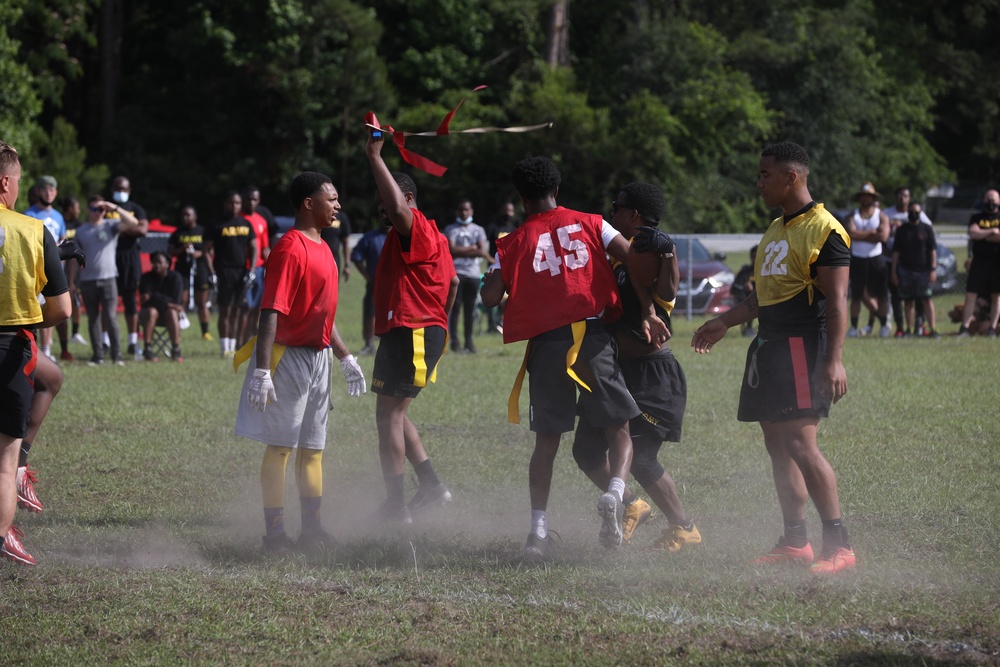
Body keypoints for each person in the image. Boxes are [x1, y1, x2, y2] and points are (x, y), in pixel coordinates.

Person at [481, 156, 665, 562]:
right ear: (557, 191)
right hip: (592, 339)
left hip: (547, 347)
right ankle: (618, 492)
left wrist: (496, 269)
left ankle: (537, 534)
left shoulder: (511, 242)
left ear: (521, 198)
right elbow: (634, 256)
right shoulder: (592, 222)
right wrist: (650, 309)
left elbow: (490, 297)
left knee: (546, 444)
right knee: (618, 429)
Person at [692, 141, 856, 575]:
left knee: (802, 444)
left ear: (791, 178)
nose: (759, 183)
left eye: (766, 175)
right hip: (769, 347)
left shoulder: (825, 230)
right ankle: (795, 540)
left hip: (804, 346)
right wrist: (724, 322)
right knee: (778, 446)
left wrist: (834, 360)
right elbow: (764, 296)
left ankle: (839, 544)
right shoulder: (776, 229)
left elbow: (838, 303)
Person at [235, 171, 366, 554]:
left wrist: (344, 356)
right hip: (287, 358)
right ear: (309, 203)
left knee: (313, 449)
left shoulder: (324, 247)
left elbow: (323, 314)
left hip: (319, 358)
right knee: (280, 447)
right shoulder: (290, 247)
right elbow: (271, 311)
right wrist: (262, 371)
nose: (338, 205)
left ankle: (312, 530)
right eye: (332, 199)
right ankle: (274, 536)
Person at [571, 182, 701, 553]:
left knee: (641, 458)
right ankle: (633, 505)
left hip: (651, 375)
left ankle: (684, 528)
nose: (612, 214)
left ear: (634, 216)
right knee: (586, 453)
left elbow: (670, 289)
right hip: (613, 372)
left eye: (617, 207)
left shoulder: (651, 257)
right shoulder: (618, 257)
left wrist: (669, 250)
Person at [366, 129, 458, 525]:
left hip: (413, 329)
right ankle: (432, 486)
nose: (383, 210)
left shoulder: (416, 225)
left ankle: (395, 506)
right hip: (421, 329)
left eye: (387, 203)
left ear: (405, 199)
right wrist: (441, 321)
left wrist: (374, 155)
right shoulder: (430, 234)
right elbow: (452, 283)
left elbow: (400, 209)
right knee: (395, 413)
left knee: (387, 416)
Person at [0, 139, 72, 565]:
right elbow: (62, 309)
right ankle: (4, 533)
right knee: (5, 463)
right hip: (11, 345)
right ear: (5, 182)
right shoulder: (33, 229)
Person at [74, 194, 141, 365]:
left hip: (109, 279)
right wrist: (72, 281)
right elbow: (74, 259)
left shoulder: (110, 226)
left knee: (111, 317)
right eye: (94, 209)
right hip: (88, 280)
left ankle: (116, 355)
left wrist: (114, 207)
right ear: (88, 209)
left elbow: (133, 222)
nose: (97, 212)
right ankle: (98, 356)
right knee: (93, 319)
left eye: (100, 209)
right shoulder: (81, 231)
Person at [205, 191, 257, 358]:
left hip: (240, 272)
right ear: (225, 204)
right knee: (225, 310)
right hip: (223, 271)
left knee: (236, 310)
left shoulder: (245, 223)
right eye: (231, 203)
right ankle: (224, 347)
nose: (234, 206)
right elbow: (206, 250)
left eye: (237, 203)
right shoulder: (216, 224)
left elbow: (254, 247)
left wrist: (252, 270)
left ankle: (233, 346)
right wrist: (212, 272)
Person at [23, 175, 67, 362]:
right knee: (35, 308)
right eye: (46, 189)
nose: (49, 193)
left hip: (54, 271)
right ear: (39, 191)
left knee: (53, 307)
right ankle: (32, 346)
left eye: (52, 190)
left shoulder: (58, 216)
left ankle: (47, 349)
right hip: (35, 271)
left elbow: (63, 238)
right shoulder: (29, 214)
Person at [105, 175, 149, 357]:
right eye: (118, 188)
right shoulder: (105, 207)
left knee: (131, 300)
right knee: (107, 301)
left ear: (129, 191)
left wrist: (117, 228)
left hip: (130, 259)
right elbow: (98, 226)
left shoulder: (135, 209)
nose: (121, 192)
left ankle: (132, 341)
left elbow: (142, 230)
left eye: (124, 189)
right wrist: (125, 227)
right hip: (109, 256)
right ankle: (105, 341)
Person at [882, 187, 933, 336]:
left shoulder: (918, 214)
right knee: (897, 297)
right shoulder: (887, 213)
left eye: (906, 195)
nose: (902, 198)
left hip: (910, 262)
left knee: (917, 296)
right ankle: (899, 326)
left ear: (909, 198)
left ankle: (919, 324)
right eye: (900, 195)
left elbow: (929, 230)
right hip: (890, 260)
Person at [444, 198, 490, 353]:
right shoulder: (451, 229)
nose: (464, 213)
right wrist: (472, 247)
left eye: (467, 210)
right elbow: (451, 250)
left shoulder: (478, 229)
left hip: (472, 274)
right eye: (461, 210)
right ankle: (454, 341)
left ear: (471, 211)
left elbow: (482, 251)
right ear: (457, 211)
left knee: (470, 309)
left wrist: (461, 250)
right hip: (455, 273)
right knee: (455, 308)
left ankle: (469, 342)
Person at [845, 182, 890, 338]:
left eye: (869, 196)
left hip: (876, 259)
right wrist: (872, 233)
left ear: (873, 198)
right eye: (863, 196)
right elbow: (850, 234)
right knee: (856, 295)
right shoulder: (853, 214)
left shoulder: (881, 215)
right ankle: (854, 327)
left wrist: (860, 234)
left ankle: (884, 325)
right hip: (857, 258)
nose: (866, 199)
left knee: (882, 294)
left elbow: (883, 236)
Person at [891, 201, 940, 338]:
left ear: (921, 213)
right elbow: (896, 253)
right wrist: (894, 271)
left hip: (924, 271)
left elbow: (933, 251)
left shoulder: (927, 229)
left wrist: (933, 269)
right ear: (907, 213)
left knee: (927, 299)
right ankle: (909, 330)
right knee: (908, 300)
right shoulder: (902, 230)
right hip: (905, 271)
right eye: (911, 212)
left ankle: (933, 329)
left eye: (916, 212)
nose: (913, 215)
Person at [957, 189, 1000, 338]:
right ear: (983, 201)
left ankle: (992, 329)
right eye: (988, 199)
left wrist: (982, 235)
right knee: (970, 295)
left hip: (997, 263)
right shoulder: (976, 217)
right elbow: (973, 234)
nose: (991, 202)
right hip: (979, 262)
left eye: (993, 199)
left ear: (999, 202)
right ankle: (965, 328)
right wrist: (992, 232)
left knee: (996, 296)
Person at [168, 205, 214, 340]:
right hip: (182, 270)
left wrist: (199, 253)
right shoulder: (178, 233)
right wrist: (182, 249)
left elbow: (210, 251)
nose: (185, 218)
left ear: (195, 216)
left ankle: (205, 332)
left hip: (200, 270)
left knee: (202, 301)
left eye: (188, 215)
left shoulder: (202, 231)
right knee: (181, 300)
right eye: (183, 215)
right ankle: (177, 330)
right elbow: (170, 252)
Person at [238, 186, 272, 348]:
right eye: (248, 199)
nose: (251, 202)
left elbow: (265, 248)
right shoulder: (237, 220)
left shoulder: (261, 221)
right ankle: (237, 342)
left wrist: (272, 265)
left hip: (258, 269)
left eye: (255, 199)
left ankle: (247, 342)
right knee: (243, 308)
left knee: (255, 308)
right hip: (241, 268)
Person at [350, 219, 389, 355]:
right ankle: (369, 344)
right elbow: (356, 257)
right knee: (370, 312)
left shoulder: (401, 236)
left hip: (396, 285)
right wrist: (367, 277)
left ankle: (391, 346)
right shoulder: (370, 237)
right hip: (375, 283)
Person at [138, 251, 185, 361]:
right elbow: (145, 301)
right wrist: (167, 303)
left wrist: (153, 296)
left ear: (167, 264)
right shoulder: (146, 278)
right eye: (154, 262)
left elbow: (176, 302)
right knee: (151, 311)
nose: (156, 265)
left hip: (169, 316)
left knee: (172, 312)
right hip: (151, 316)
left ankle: (175, 349)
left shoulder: (175, 278)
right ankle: (148, 349)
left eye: (159, 262)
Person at [484, 201, 519, 332]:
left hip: (510, 267)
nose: (508, 214)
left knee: (509, 297)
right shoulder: (493, 227)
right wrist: (489, 258)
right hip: (495, 266)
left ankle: (506, 322)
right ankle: (492, 325)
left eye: (510, 211)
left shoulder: (516, 228)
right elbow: (484, 245)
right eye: (505, 211)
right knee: (494, 294)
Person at [61, 196, 88, 347]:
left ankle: (75, 333)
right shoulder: (60, 221)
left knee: (76, 298)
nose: (79, 210)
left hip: (74, 268)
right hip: (60, 266)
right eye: (77, 207)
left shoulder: (79, 225)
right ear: (70, 208)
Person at [732, 245, 758, 337]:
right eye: (754, 257)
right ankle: (748, 328)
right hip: (747, 299)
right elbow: (734, 288)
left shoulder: (766, 271)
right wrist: (744, 286)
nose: (756, 259)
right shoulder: (746, 272)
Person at [321, 211, 353, 284]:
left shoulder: (341, 217)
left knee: (332, 289)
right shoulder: (318, 215)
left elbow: (346, 242)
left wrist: (347, 265)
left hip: (334, 260)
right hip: (317, 258)